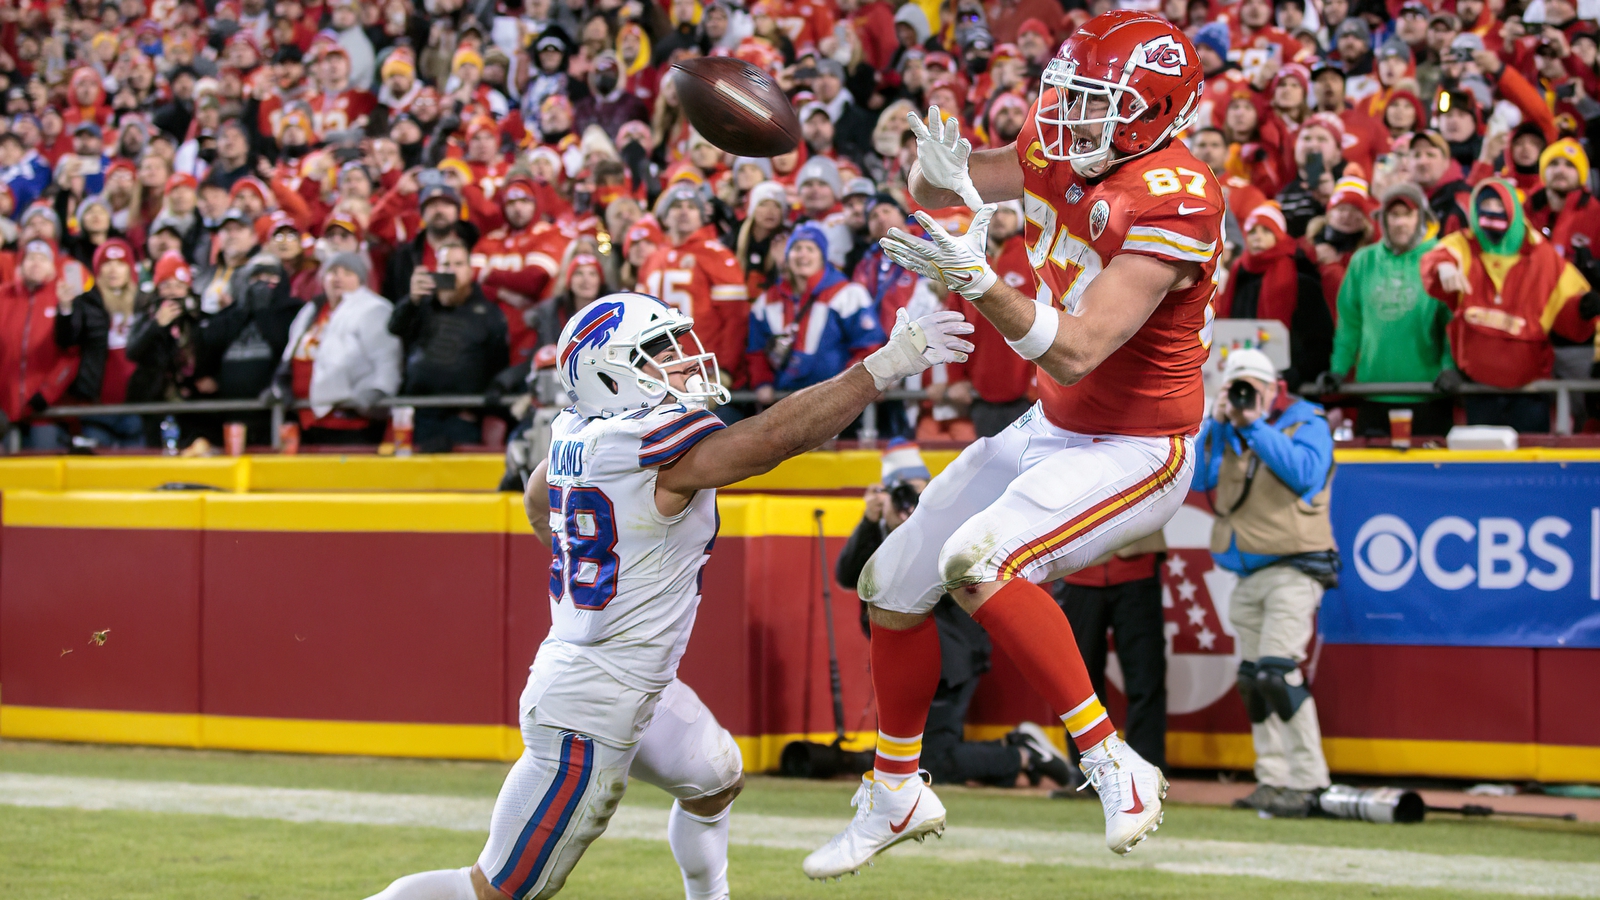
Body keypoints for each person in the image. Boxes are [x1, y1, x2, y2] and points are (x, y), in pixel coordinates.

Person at [364, 292, 973, 900]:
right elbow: (771, 440)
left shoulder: (580, 430)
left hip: (629, 681)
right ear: (608, 374)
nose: (683, 360)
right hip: (591, 703)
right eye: (657, 353)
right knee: (498, 890)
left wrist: (581, 562)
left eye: (678, 344)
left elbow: (536, 491)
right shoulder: (640, 441)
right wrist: (885, 366)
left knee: (714, 783)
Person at [806, 11, 1221, 877]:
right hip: (1053, 422)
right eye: (1067, 95)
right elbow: (948, 194)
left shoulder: (1178, 197)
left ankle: (1116, 765)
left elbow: (1074, 345)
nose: (1068, 117)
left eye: (1095, 103)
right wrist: (930, 174)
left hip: (1138, 445)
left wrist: (981, 279)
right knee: (892, 581)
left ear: (1153, 112)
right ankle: (895, 792)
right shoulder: (1068, 141)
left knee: (982, 561)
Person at [835, 440, 1073, 789]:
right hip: (914, 659)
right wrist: (870, 523)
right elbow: (847, 575)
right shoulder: (881, 531)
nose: (909, 503)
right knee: (915, 756)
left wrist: (919, 522)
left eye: (917, 492)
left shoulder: (948, 522)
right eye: (900, 493)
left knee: (930, 763)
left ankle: (1024, 756)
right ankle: (1016, 757)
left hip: (952, 658)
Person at [1193, 348, 1336, 819]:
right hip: (1247, 573)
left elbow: (1306, 475)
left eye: (1254, 387)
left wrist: (1255, 424)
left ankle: (1309, 780)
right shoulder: (1228, 428)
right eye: (1239, 387)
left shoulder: (1306, 421)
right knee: (1254, 680)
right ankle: (1272, 779)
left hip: (1295, 568)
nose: (1245, 396)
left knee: (1278, 673)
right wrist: (1214, 423)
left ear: (1275, 387)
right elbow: (1196, 479)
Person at [1421, 179, 1599, 433]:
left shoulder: (1543, 256)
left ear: (1513, 208)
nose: (1492, 213)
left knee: (1529, 470)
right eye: (1485, 206)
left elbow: (1568, 316)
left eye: (1499, 205)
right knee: (1479, 468)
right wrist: (1444, 267)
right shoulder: (1464, 243)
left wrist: (1583, 308)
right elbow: (1435, 258)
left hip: (1529, 394)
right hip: (1475, 391)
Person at [1320, 183, 1454, 438]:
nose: (1401, 223)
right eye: (1394, 215)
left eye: (1408, 214)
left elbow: (1450, 323)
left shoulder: (1439, 259)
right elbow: (1350, 324)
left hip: (1428, 394)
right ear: (1383, 219)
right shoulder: (1363, 261)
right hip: (1372, 393)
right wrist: (1338, 370)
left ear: (1421, 218)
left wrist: (1449, 367)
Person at [391, 241, 512, 452]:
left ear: (469, 271)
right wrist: (411, 300)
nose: (451, 270)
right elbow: (394, 328)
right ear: (436, 270)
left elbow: (497, 362)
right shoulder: (420, 306)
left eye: (458, 264)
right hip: (420, 413)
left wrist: (478, 409)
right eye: (445, 264)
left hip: (463, 415)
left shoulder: (489, 313)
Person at [272, 252, 401, 445]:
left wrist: (378, 391)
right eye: (332, 272)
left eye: (348, 272)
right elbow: (290, 353)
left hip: (350, 419)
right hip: (305, 417)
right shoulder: (311, 310)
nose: (338, 278)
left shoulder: (374, 309)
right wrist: (280, 385)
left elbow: (387, 359)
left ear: (361, 279)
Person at [0, 240, 80, 447]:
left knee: (42, 469)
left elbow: (71, 354)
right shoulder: (3, 296)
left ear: (53, 266)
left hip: (46, 408)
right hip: (3, 405)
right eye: (31, 258)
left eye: (43, 258)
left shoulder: (63, 298)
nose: (36, 263)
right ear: (20, 264)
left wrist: (47, 393)